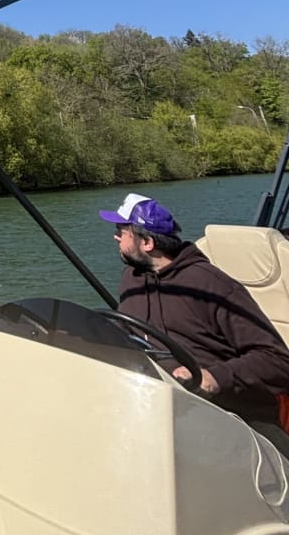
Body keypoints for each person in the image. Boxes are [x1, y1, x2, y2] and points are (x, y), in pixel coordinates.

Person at [99, 193, 289, 455]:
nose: (116, 237)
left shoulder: (211, 286)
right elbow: (129, 330)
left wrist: (215, 377)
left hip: (237, 415)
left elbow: (277, 360)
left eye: (121, 231)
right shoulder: (132, 277)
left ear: (147, 242)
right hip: (163, 406)